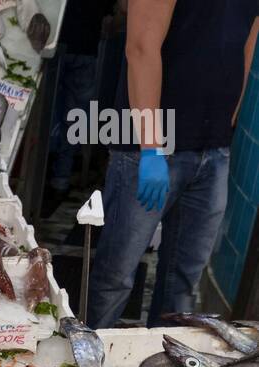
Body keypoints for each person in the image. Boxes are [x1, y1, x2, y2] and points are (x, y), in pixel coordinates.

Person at [88, 0, 259, 328]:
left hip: (214, 149)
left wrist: (228, 123)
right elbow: (140, 48)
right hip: (149, 147)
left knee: (181, 286)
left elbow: (248, 41)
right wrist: (151, 150)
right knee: (115, 278)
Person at [44, 0, 112, 215]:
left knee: (45, 114)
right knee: (74, 119)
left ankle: (42, 176)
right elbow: (115, 16)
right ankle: (61, 179)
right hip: (86, 49)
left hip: (56, 44)